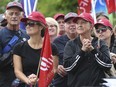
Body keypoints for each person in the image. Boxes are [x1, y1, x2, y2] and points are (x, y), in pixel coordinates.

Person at [63, 12, 112, 87]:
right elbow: (68, 68)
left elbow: (107, 65)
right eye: (77, 23)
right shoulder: (70, 44)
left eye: (83, 22)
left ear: (91, 26)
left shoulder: (100, 43)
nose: (79, 25)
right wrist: (82, 51)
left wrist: (93, 50)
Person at [13, 11, 59, 86]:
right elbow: (18, 71)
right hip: (25, 84)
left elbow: (54, 70)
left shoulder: (52, 48)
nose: (27, 26)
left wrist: (39, 81)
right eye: (26, 24)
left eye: (31, 24)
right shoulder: (18, 47)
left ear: (41, 27)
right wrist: (28, 81)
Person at [0, 1, 29, 87]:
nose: (14, 16)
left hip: (25, 81)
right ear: (5, 16)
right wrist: (15, 54)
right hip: (5, 82)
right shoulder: (1, 35)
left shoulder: (27, 35)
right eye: (11, 13)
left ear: (21, 16)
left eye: (17, 14)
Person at [52, 12, 78, 87]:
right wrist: (57, 66)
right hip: (62, 81)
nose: (72, 24)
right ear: (65, 25)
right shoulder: (57, 41)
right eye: (69, 22)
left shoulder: (85, 40)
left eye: (75, 22)